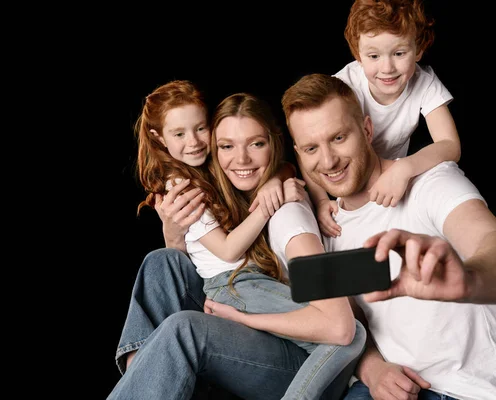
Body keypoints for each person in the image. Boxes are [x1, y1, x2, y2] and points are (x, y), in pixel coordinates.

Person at [280, 72, 496, 400]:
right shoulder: (326, 230)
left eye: (339, 138)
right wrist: (371, 367)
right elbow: (351, 321)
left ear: (367, 130)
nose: (328, 160)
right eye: (311, 148)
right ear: (299, 154)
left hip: (470, 391)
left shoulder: (428, 182)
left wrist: (469, 280)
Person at [109, 82, 365, 400]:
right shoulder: (222, 187)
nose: (240, 159)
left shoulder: (288, 216)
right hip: (242, 309)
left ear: (276, 143)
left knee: (183, 328)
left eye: (255, 144)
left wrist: (375, 368)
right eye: (227, 146)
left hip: (294, 359)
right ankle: (141, 367)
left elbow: (343, 324)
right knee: (163, 259)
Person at [304, 0, 461, 239]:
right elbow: (309, 145)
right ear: (358, 54)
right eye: (374, 55)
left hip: (391, 178)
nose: (387, 68)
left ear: (418, 49)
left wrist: (404, 168)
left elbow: (450, 145)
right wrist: (320, 200)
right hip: (349, 182)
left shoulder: (425, 83)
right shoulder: (344, 86)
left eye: (399, 53)